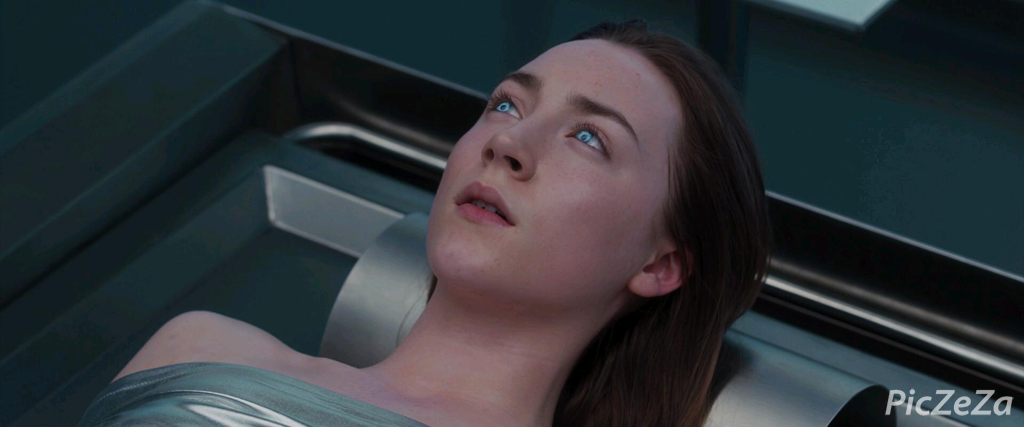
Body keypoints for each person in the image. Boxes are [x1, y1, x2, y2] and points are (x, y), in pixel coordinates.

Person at [78, 18, 771, 427]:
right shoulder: (202, 347)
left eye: (589, 138)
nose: (508, 142)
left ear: (659, 264)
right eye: (505, 104)